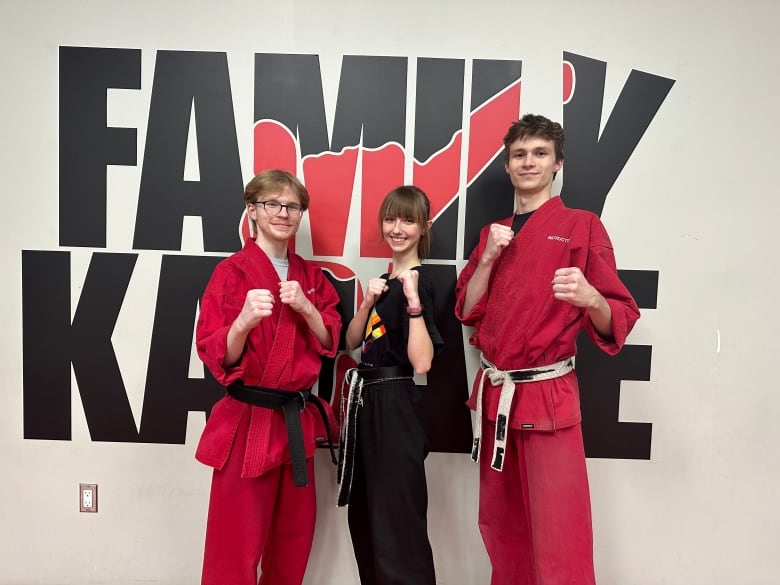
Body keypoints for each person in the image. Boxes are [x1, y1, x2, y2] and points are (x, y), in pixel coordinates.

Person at [455, 114, 640, 585]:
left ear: (558, 163)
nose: (529, 162)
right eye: (519, 154)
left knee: (561, 529)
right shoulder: (492, 234)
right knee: (502, 524)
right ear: (507, 165)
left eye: (540, 153)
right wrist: (490, 259)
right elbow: (465, 309)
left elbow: (619, 314)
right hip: (497, 393)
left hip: (548, 393)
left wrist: (590, 297)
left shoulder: (581, 226)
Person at [194, 169, 341, 585]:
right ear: (252, 211)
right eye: (272, 204)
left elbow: (330, 340)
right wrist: (241, 322)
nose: (283, 213)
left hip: (294, 424)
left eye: (292, 206)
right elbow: (216, 353)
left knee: (293, 541)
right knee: (234, 545)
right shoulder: (232, 273)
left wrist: (307, 309)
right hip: (249, 423)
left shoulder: (310, 277)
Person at [338, 185, 443, 585]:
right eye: (390, 219)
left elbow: (422, 362)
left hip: (398, 399)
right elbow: (350, 344)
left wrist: (413, 302)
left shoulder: (422, 282)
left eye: (408, 220)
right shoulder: (382, 281)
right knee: (365, 516)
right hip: (367, 399)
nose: (397, 228)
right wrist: (367, 302)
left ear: (423, 227)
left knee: (398, 518)